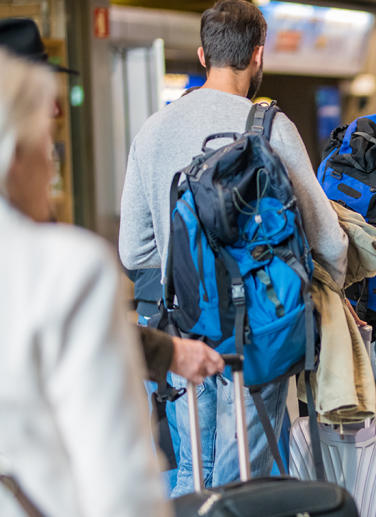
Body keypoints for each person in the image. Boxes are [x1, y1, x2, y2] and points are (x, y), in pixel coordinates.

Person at [118, 0, 348, 495]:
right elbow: (330, 239)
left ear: (203, 55)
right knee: (247, 478)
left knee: (190, 473)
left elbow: (133, 251)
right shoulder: (269, 128)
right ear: (258, 56)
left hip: (182, 328)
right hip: (258, 333)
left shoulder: (153, 132)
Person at [0, 16, 224, 389]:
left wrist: (169, 352)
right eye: (42, 100)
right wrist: (170, 354)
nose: (56, 111)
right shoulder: (66, 261)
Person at [0, 49, 171, 517]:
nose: (53, 164)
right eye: (47, 144)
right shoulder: (64, 268)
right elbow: (119, 483)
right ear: (14, 154)